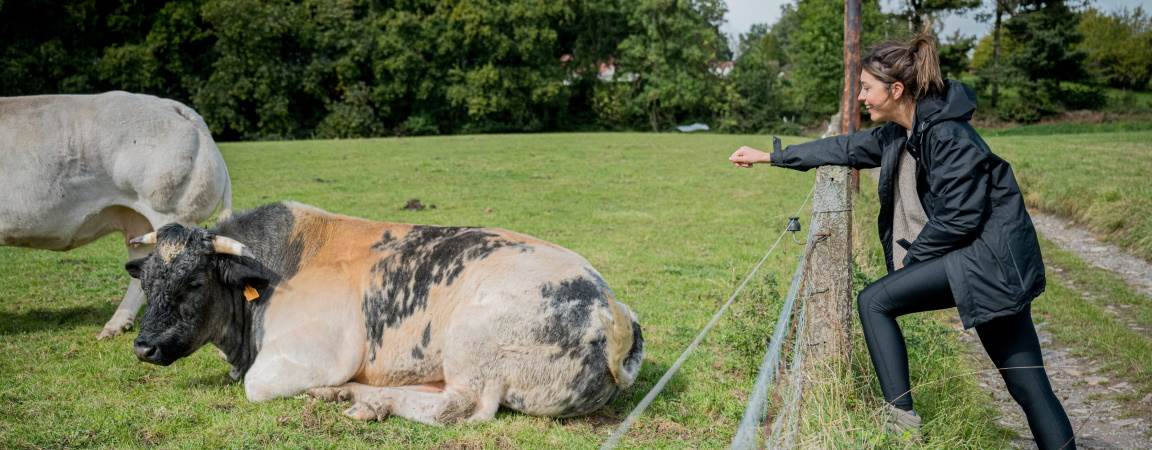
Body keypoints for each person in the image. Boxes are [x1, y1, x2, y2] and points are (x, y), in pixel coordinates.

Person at [728, 32, 1075, 449]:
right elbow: (844, 147)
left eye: (866, 88)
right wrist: (773, 156)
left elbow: (960, 215)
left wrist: (915, 262)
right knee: (1027, 386)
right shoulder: (901, 133)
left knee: (876, 302)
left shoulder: (948, 135)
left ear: (895, 90)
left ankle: (902, 425)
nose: (860, 97)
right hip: (982, 264)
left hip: (990, 264)